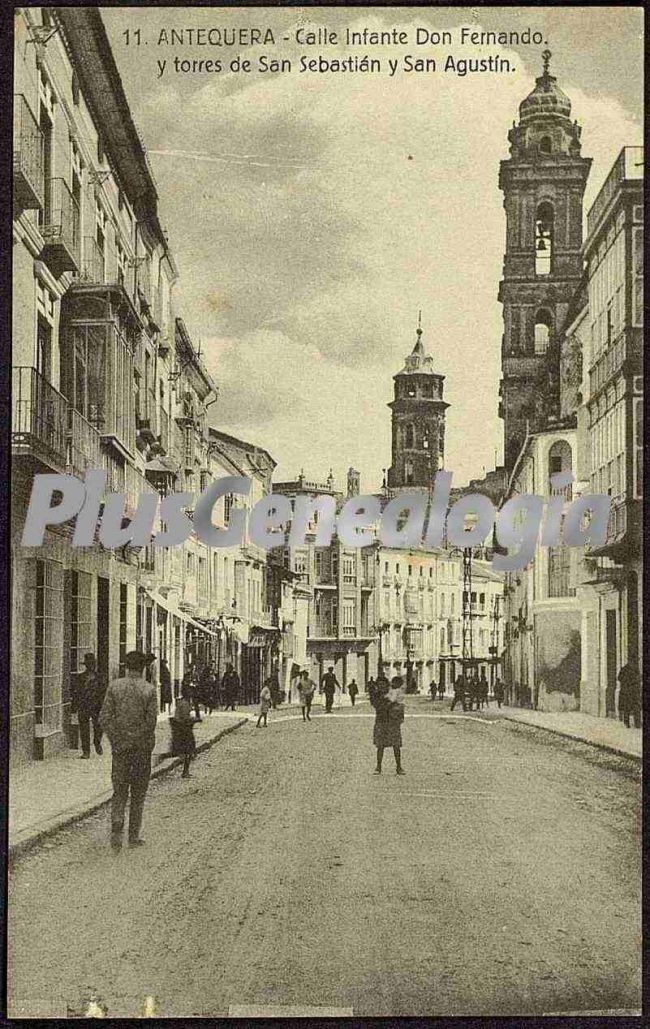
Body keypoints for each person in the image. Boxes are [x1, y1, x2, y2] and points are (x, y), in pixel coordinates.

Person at [99, 650, 157, 851]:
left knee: (120, 790)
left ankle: (117, 822)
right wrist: (135, 740)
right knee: (139, 793)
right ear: (143, 668)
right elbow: (150, 723)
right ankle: (133, 835)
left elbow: (104, 718)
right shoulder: (149, 690)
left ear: (126, 666)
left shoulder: (115, 687)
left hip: (120, 749)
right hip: (141, 750)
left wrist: (118, 740)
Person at [71, 653, 106, 759]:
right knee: (84, 729)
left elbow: (104, 693)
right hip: (84, 706)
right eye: (89, 664)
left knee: (99, 727)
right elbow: (76, 693)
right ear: (86, 665)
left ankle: (97, 742)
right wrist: (74, 706)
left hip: (97, 707)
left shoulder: (100, 677)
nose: (91, 666)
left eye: (93, 664)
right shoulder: (80, 677)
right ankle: (86, 751)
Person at [370, 675, 405, 775]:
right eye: (379, 684)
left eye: (383, 684)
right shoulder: (376, 695)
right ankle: (378, 767)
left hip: (393, 722)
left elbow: (398, 704)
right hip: (381, 721)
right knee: (380, 746)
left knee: (396, 745)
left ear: (387, 684)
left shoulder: (392, 692)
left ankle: (399, 767)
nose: (381, 686)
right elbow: (377, 706)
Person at [170, 683, 198, 778]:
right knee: (188, 750)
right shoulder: (185, 703)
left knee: (184, 751)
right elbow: (185, 718)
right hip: (183, 729)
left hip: (180, 728)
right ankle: (185, 772)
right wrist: (195, 720)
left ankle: (185, 771)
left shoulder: (183, 702)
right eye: (190, 691)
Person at [618, 661, 641, 728]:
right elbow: (638, 679)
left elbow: (619, 678)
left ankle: (627, 723)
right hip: (633, 692)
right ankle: (637, 724)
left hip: (626, 692)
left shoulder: (624, 669)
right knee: (635, 708)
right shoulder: (635, 670)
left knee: (627, 709)